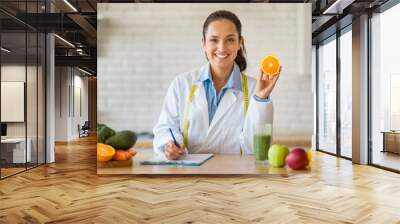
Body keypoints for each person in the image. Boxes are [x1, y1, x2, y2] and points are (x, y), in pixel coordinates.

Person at [153, 10, 281, 160]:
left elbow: (258, 150)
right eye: (214, 40)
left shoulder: (254, 89)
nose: (221, 48)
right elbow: (165, 127)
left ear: (240, 43)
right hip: (188, 176)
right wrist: (170, 145)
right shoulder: (182, 84)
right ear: (203, 43)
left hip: (235, 179)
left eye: (230, 40)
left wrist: (261, 99)